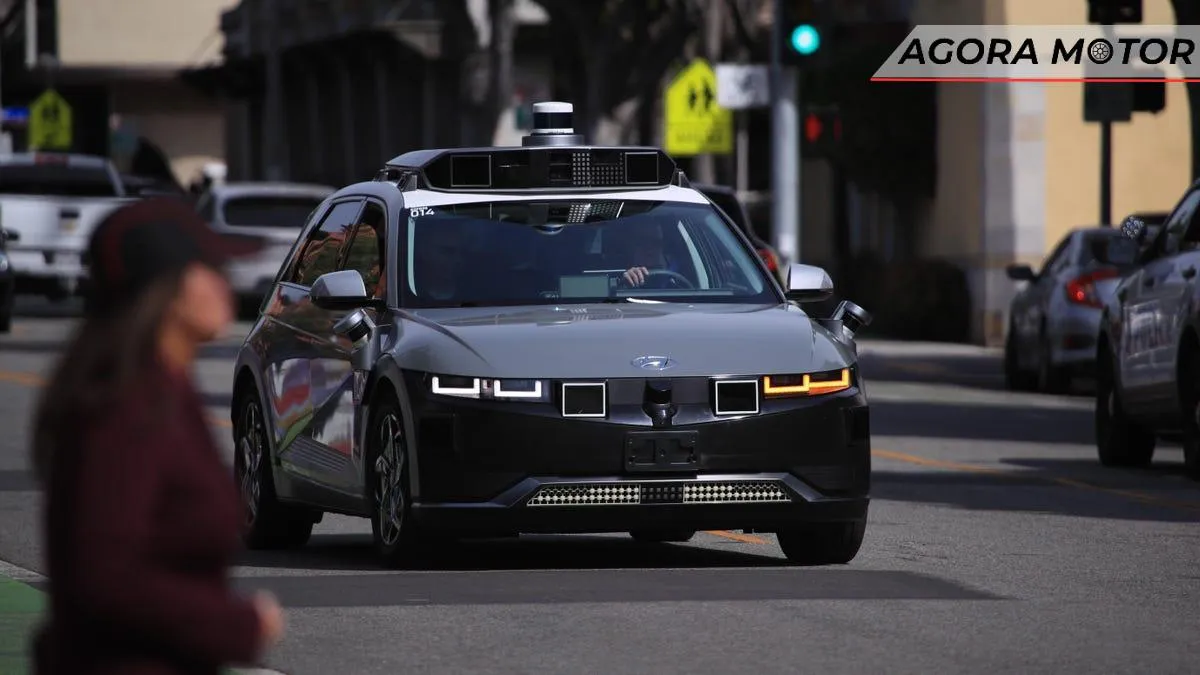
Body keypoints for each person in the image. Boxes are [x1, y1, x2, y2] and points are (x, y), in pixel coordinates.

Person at [29, 198, 286, 674]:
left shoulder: (164, 387)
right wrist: (237, 624)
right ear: (167, 290)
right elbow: (103, 577)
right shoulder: (127, 405)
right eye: (210, 267)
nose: (224, 281)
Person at [414, 221, 465, 302]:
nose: (458, 259)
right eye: (447, 252)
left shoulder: (477, 294)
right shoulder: (404, 292)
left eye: (462, 252)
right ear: (424, 251)